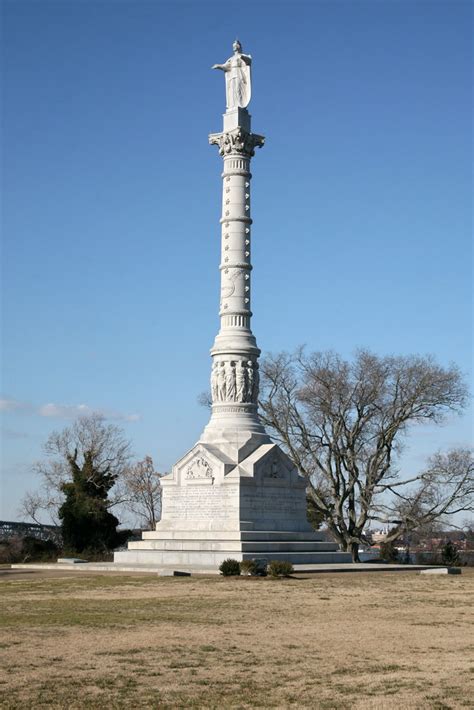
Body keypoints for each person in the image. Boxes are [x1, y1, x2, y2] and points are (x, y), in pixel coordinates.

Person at [212, 40, 252, 110]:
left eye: (235, 45)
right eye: (233, 46)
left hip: (238, 73)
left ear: (239, 46)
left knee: (238, 89)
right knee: (232, 90)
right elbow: (226, 66)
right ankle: (233, 105)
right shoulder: (231, 59)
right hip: (232, 74)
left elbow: (248, 61)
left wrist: (243, 57)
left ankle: (239, 103)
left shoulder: (243, 55)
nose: (234, 47)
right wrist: (218, 66)